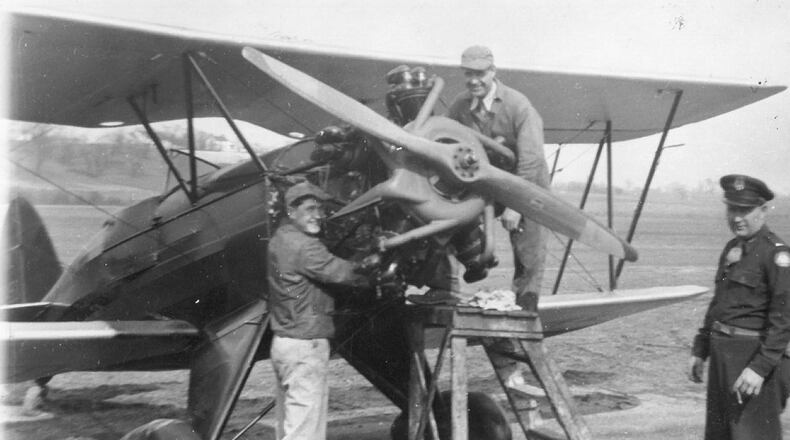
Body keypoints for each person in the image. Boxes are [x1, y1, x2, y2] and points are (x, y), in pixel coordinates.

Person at [267, 181, 377, 440]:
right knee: (304, 432)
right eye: (310, 209)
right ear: (291, 211)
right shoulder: (306, 246)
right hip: (306, 346)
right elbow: (342, 273)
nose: (318, 215)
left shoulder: (279, 239)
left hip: (284, 343)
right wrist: (373, 270)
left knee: (290, 425)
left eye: (320, 209)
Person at [446, 45, 549, 311]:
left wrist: (516, 206)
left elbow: (531, 159)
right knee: (446, 219)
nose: (473, 80)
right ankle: (447, 287)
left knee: (528, 250)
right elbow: (445, 141)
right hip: (487, 182)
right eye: (468, 73)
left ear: (493, 71)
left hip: (526, 183)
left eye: (480, 73)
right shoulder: (459, 105)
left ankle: (526, 307)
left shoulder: (518, 105)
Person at [689, 174, 790, 439]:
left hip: (752, 357)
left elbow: (783, 320)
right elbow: (719, 303)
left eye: (744, 210)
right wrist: (700, 349)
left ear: (763, 210)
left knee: (753, 434)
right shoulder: (732, 248)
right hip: (722, 355)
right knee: (720, 434)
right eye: (732, 209)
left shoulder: (777, 255)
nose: (736, 218)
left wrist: (759, 368)